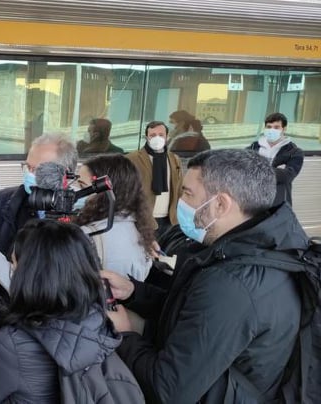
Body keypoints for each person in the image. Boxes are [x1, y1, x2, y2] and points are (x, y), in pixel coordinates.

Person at [104, 149, 307, 403]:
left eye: (188, 193)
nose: (180, 201)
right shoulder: (256, 247)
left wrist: (125, 335)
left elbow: (166, 391)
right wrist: (135, 292)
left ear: (221, 204)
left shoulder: (233, 283)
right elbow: (194, 313)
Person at [0, 220, 140, 403]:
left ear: (31, 277)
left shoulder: (8, 346)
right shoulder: (96, 321)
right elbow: (8, 318)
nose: (12, 274)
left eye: (14, 267)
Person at [0, 133, 78, 255]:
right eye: (28, 167)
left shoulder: (82, 213)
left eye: (39, 170)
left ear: (65, 175)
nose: (30, 174)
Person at [75, 155, 156, 281]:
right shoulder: (138, 228)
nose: (74, 191)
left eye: (81, 186)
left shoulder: (90, 235)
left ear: (106, 192)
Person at [126, 121, 183, 237]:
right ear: (146, 137)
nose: (157, 138)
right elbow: (126, 188)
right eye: (152, 135)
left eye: (161, 135)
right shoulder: (132, 159)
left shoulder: (174, 159)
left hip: (169, 220)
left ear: (167, 137)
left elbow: (180, 188)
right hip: (143, 219)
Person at [246, 112, 304, 206]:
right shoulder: (254, 147)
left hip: (278, 201)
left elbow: (287, 176)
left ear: (284, 129)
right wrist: (275, 171)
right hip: (253, 199)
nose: (272, 130)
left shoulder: (294, 152)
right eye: (269, 127)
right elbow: (242, 168)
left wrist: (256, 170)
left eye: (276, 127)